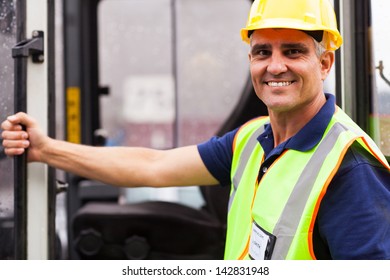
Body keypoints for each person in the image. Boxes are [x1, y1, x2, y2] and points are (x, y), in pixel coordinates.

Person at [2, 0, 390, 260]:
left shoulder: (349, 169)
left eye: (293, 51)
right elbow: (152, 166)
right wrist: (46, 149)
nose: (274, 66)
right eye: (261, 52)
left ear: (324, 64)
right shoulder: (252, 139)